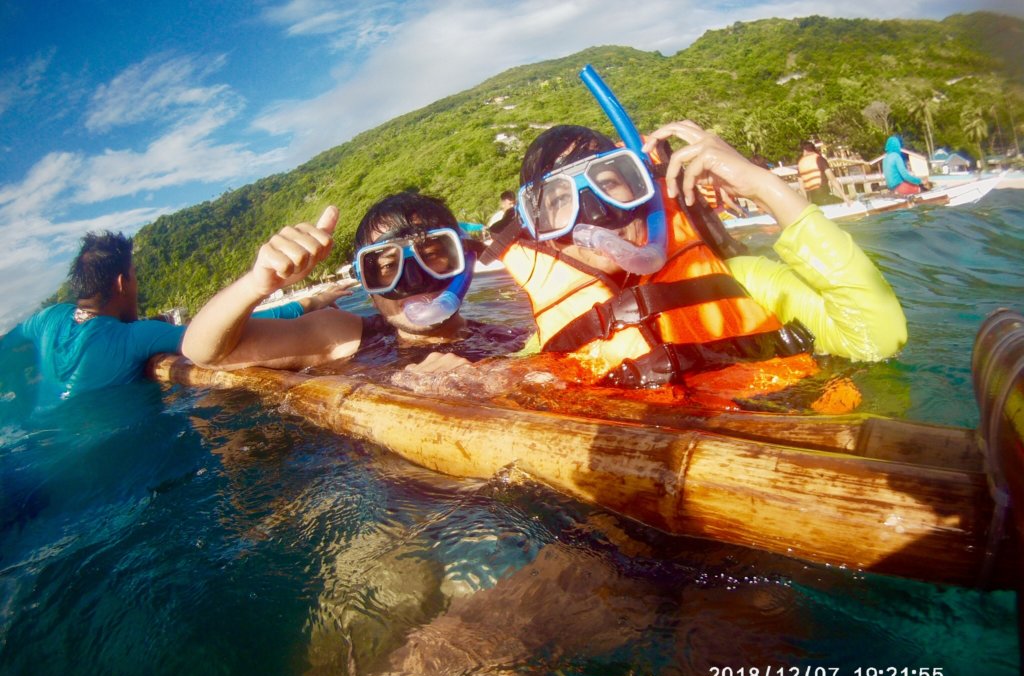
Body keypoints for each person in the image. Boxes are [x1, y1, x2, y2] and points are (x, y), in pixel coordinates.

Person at [492, 121, 906, 399]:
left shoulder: (743, 281)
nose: (598, 215)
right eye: (561, 202)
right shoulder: (550, 341)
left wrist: (765, 187)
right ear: (538, 229)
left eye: (612, 184)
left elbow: (876, 339)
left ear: (648, 192)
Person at [181, 192, 527, 373]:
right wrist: (257, 285)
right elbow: (202, 352)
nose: (414, 280)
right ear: (365, 282)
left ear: (464, 259)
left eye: (434, 253)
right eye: (387, 265)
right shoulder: (342, 337)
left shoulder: (514, 344)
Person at [3, 230, 347, 405]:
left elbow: (8, 346)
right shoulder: (135, 336)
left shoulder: (48, 319)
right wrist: (311, 302)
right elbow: (216, 335)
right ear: (122, 283)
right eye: (135, 276)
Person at [797, 140, 849, 205]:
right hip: (824, 196)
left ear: (804, 150)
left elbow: (801, 187)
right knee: (841, 203)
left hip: (812, 199)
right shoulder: (819, 159)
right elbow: (832, 179)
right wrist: (844, 197)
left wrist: (807, 204)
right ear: (813, 149)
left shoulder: (800, 164)